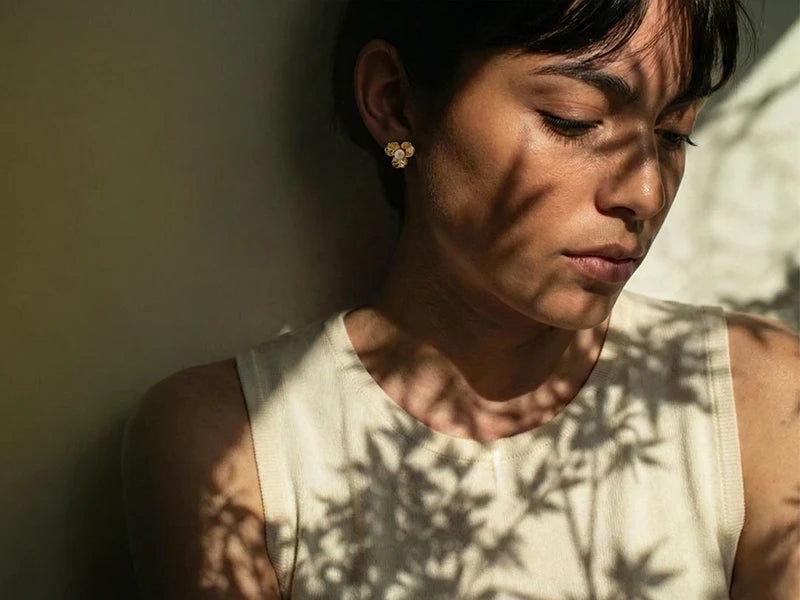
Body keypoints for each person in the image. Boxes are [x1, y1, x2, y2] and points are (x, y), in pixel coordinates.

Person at [121, 1, 800, 598]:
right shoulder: (238, 444)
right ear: (394, 100)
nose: (645, 194)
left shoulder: (757, 400)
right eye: (574, 119)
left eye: (673, 133)